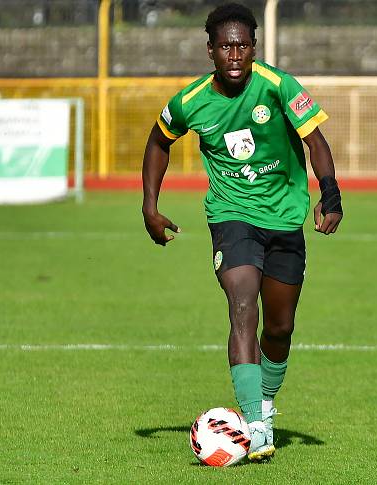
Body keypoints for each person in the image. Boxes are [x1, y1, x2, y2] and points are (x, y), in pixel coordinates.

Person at [141, 2, 343, 462]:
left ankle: (265, 405)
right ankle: (254, 424)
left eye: (243, 46)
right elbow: (158, 141)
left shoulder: (278, 86)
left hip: (286, 217)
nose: (235, 55)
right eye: (226, 46)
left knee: (281, 326)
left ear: (254, 48)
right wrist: (150, 206)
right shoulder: (190, 102)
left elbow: (315, 140)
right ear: (210, 50)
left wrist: (329, 194)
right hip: (231, 215)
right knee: (241, 305)